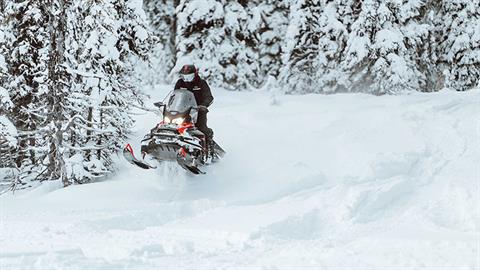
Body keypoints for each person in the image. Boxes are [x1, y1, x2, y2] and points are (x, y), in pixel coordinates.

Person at [174, 64, 214, 140]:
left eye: (189, 76)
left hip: (198, 110)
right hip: (182, 110)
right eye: (184, 76)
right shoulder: (180, 83)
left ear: (195, 74)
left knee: (201, 129)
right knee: (170, 124)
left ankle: (208, 143)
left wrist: (203, 105)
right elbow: (174, 95)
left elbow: (209, 97)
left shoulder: (201, 83)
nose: (186, 79)